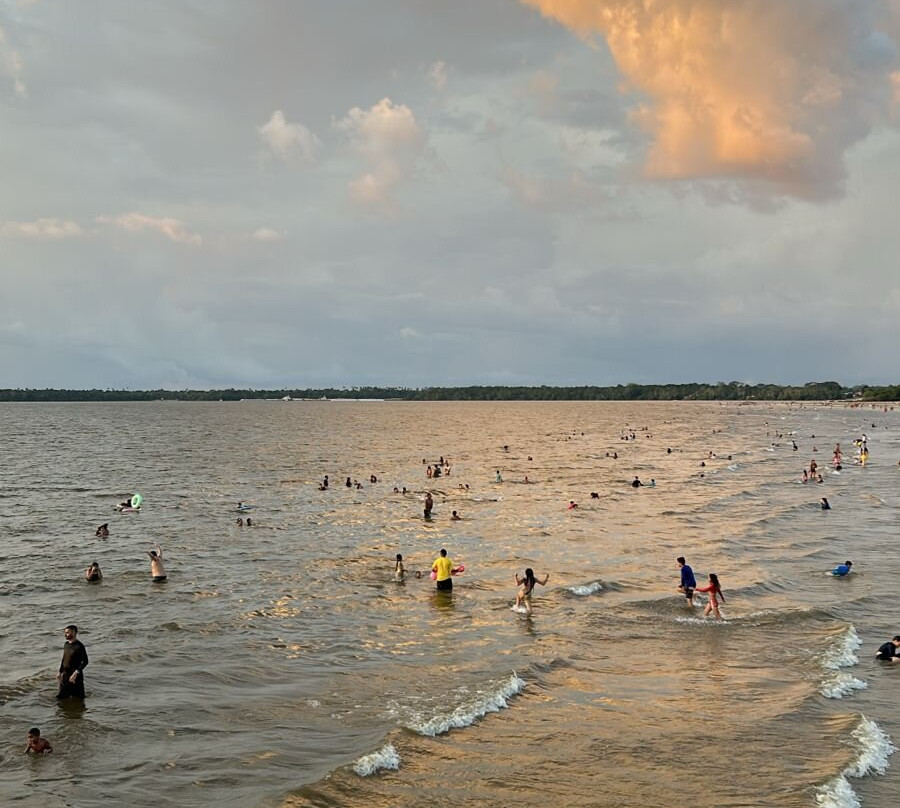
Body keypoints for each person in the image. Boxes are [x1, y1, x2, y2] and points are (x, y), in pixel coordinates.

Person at [57, 625, 88, 700]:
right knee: (61, 698)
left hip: (76, 677)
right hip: (65, 675)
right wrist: (60, 672)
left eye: (68, 632)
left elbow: (85, 661)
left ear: (74, 632)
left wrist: (75, 673)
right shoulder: (66, 644)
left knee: (79, 698)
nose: (65, 634)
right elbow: (64, 659)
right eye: (65, 632)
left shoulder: (79, 646)